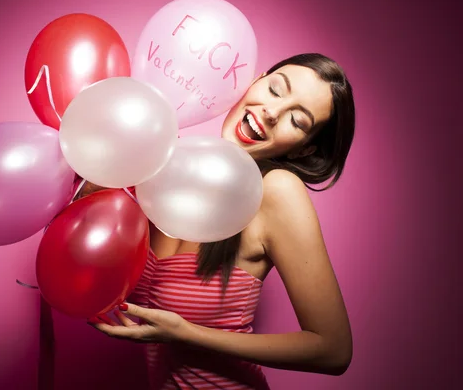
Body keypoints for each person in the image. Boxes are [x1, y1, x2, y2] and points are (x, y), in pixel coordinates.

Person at [85, 53, 356, 389]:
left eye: (297, 121)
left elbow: (333, 350)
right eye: (275, 89)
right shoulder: (166, 168)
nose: (272, 113)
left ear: (303, 150)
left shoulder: (276, 192)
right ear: (255, 80)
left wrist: (186, 334)